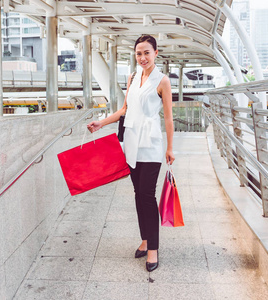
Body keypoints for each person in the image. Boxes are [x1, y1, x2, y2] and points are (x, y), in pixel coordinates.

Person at [87, 34, 174, 272]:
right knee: (138, 194)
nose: (143, 57)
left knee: (147, 195)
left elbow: (168, 117)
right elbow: (125, 109)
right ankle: (145, 239)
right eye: (139, 53)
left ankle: (153, 249)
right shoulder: (133, 77)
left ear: (156, 53)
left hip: (152, 144)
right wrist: (101, 123)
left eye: (147, 52)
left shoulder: (162, 80)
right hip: (133, 143)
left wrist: (170, 147)